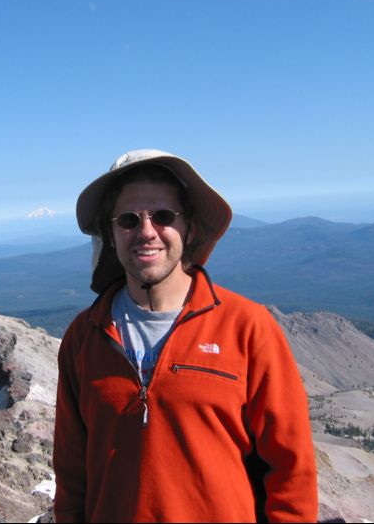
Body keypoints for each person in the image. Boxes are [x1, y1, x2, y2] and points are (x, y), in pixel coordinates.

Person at [53, 149, 317, 523]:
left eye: (163, 217)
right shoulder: (84, 337)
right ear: (111, 236)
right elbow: (71, 473)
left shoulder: (247, 328)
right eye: (128, 220)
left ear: (189, 228)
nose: (146, 232)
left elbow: (292, 471)